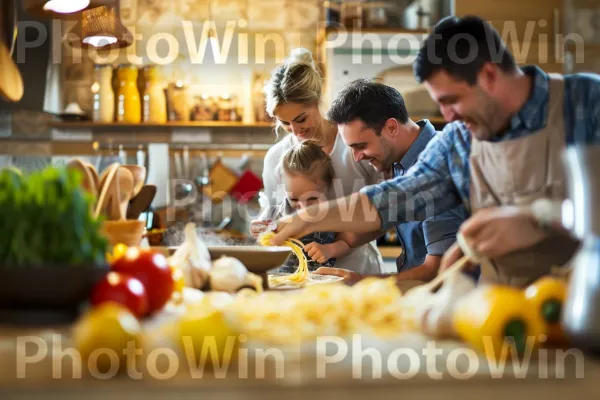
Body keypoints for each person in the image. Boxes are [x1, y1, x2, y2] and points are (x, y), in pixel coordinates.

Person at [267, 15, 600, 287]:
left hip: (582, 311)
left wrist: (540, 218)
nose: (449, 117)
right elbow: (396, 198)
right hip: (499, 317)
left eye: (452, 101)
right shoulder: (458, 140)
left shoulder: (585, 102)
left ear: (488, 75)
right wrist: (304, 219)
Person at [311, 78, 469, 283]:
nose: (357, 157)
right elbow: (385, 215)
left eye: (361, 145)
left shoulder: (437, 161)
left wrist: (364, 283)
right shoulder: (401, 160)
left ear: (392, 127)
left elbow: (438, 268)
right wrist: (332, 244)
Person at [253, 47, 384, 274]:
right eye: (285, 123)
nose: (295, 130)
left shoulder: (357, 146)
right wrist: (265, 229)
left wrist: (336, 247)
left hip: (358, 273)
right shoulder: (276, 158)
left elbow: (386, 212)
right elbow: (275, 216)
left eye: (301, 118)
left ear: (317, 101)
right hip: (299, 278)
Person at [253, 141, 367, 273]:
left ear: (328, 188)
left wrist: (329, 250)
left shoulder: (333, 213)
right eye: (294, 199)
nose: (303, 207)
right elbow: (259, 236)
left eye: (312, 198)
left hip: (322, 284)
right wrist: (258, 229)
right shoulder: (275, 213)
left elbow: (347, 243)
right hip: (283, 284)